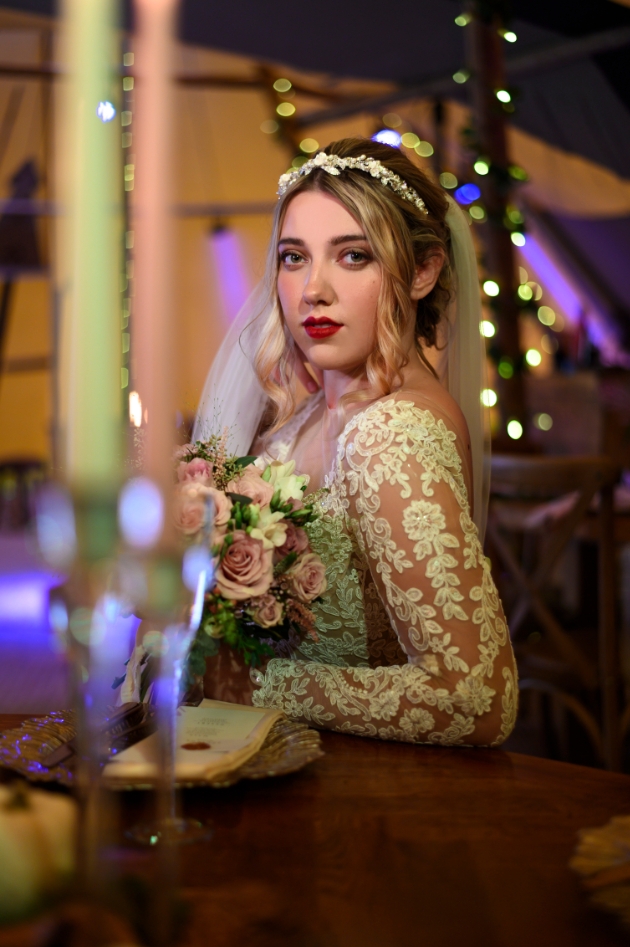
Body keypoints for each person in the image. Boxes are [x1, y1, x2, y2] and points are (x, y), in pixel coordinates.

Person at [197, 137, 517, 746]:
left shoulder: (391, 435)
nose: (313, 289)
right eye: (294, 258)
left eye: (353, 256)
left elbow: (475, 698)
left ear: (422, 271)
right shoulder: (314, 411)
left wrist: (247, 682)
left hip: (356, 787)